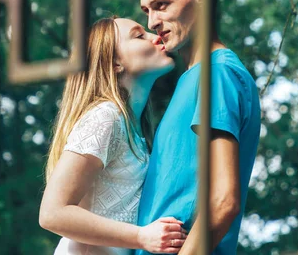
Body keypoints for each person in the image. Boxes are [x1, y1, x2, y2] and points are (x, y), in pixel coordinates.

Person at [135, 0, 261, 255]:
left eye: (161, 5)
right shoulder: (193, 78)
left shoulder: (217, 73)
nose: (152, 21)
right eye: (146, 11)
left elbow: (223, 201)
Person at [40, 17, 188, 255]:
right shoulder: (105, 117)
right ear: (115, 63)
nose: (155, 35)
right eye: (139, 35)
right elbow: (52, 213)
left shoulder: (134, 127)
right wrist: (142, 236)